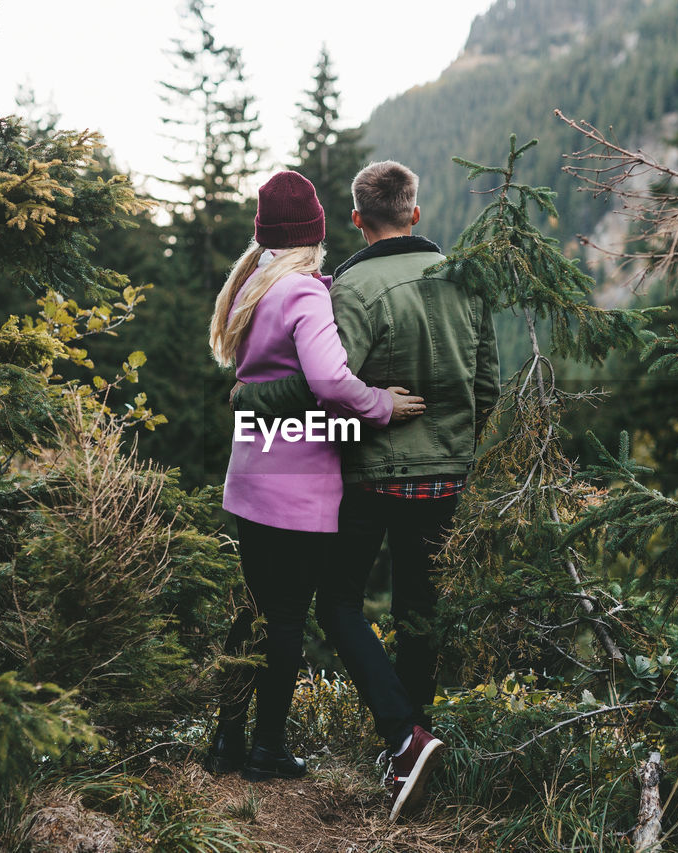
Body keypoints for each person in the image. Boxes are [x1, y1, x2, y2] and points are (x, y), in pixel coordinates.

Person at [235, 160, 500, 818]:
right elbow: (487, 384)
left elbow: (325, 382)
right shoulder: (465, 279)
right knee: (419, 611)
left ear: (357, 218)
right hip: (444, 475)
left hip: (370, 476)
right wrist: (456, 445)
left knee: (338, 604)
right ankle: (413, 751)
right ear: (416, 212)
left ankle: (404, 740)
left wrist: (254, 398)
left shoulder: (346, 285)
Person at [204, 170, 427, 784]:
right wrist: (381, 404)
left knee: (251, 610)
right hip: (298, 481)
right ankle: (267, 750)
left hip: (252, 471)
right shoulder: (302, 291)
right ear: (315, 233)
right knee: (286, 618)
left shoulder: (251, 282)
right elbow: (328, 381)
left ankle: (225, 743)